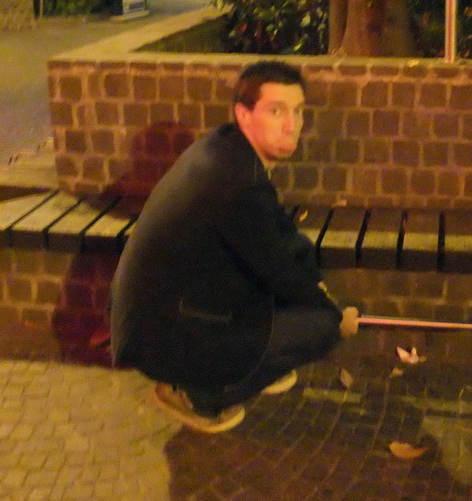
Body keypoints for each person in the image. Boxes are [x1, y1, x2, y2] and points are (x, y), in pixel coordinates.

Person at [110, 61, 357, 433]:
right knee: (320, 327)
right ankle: (199, 395)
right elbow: (279, 269)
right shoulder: (237, 182)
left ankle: (247, 365)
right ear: (244, 115)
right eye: (276, 111)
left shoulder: (228, 150)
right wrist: (335, 315)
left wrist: (314, 281)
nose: (292, 125)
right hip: (162, 334)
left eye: (298, 111)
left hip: (170, 310)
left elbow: (280, 237)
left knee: (297, 300)